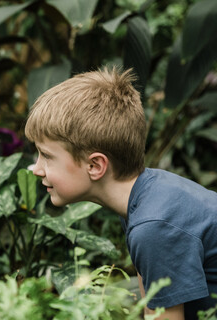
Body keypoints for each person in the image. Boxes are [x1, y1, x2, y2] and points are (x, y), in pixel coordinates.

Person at [24, 67, 217, 320]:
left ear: (95, 166)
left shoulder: (154, 226)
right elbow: (150, 309)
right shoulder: (145, 200)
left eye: (47, 156)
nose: (36, 169)